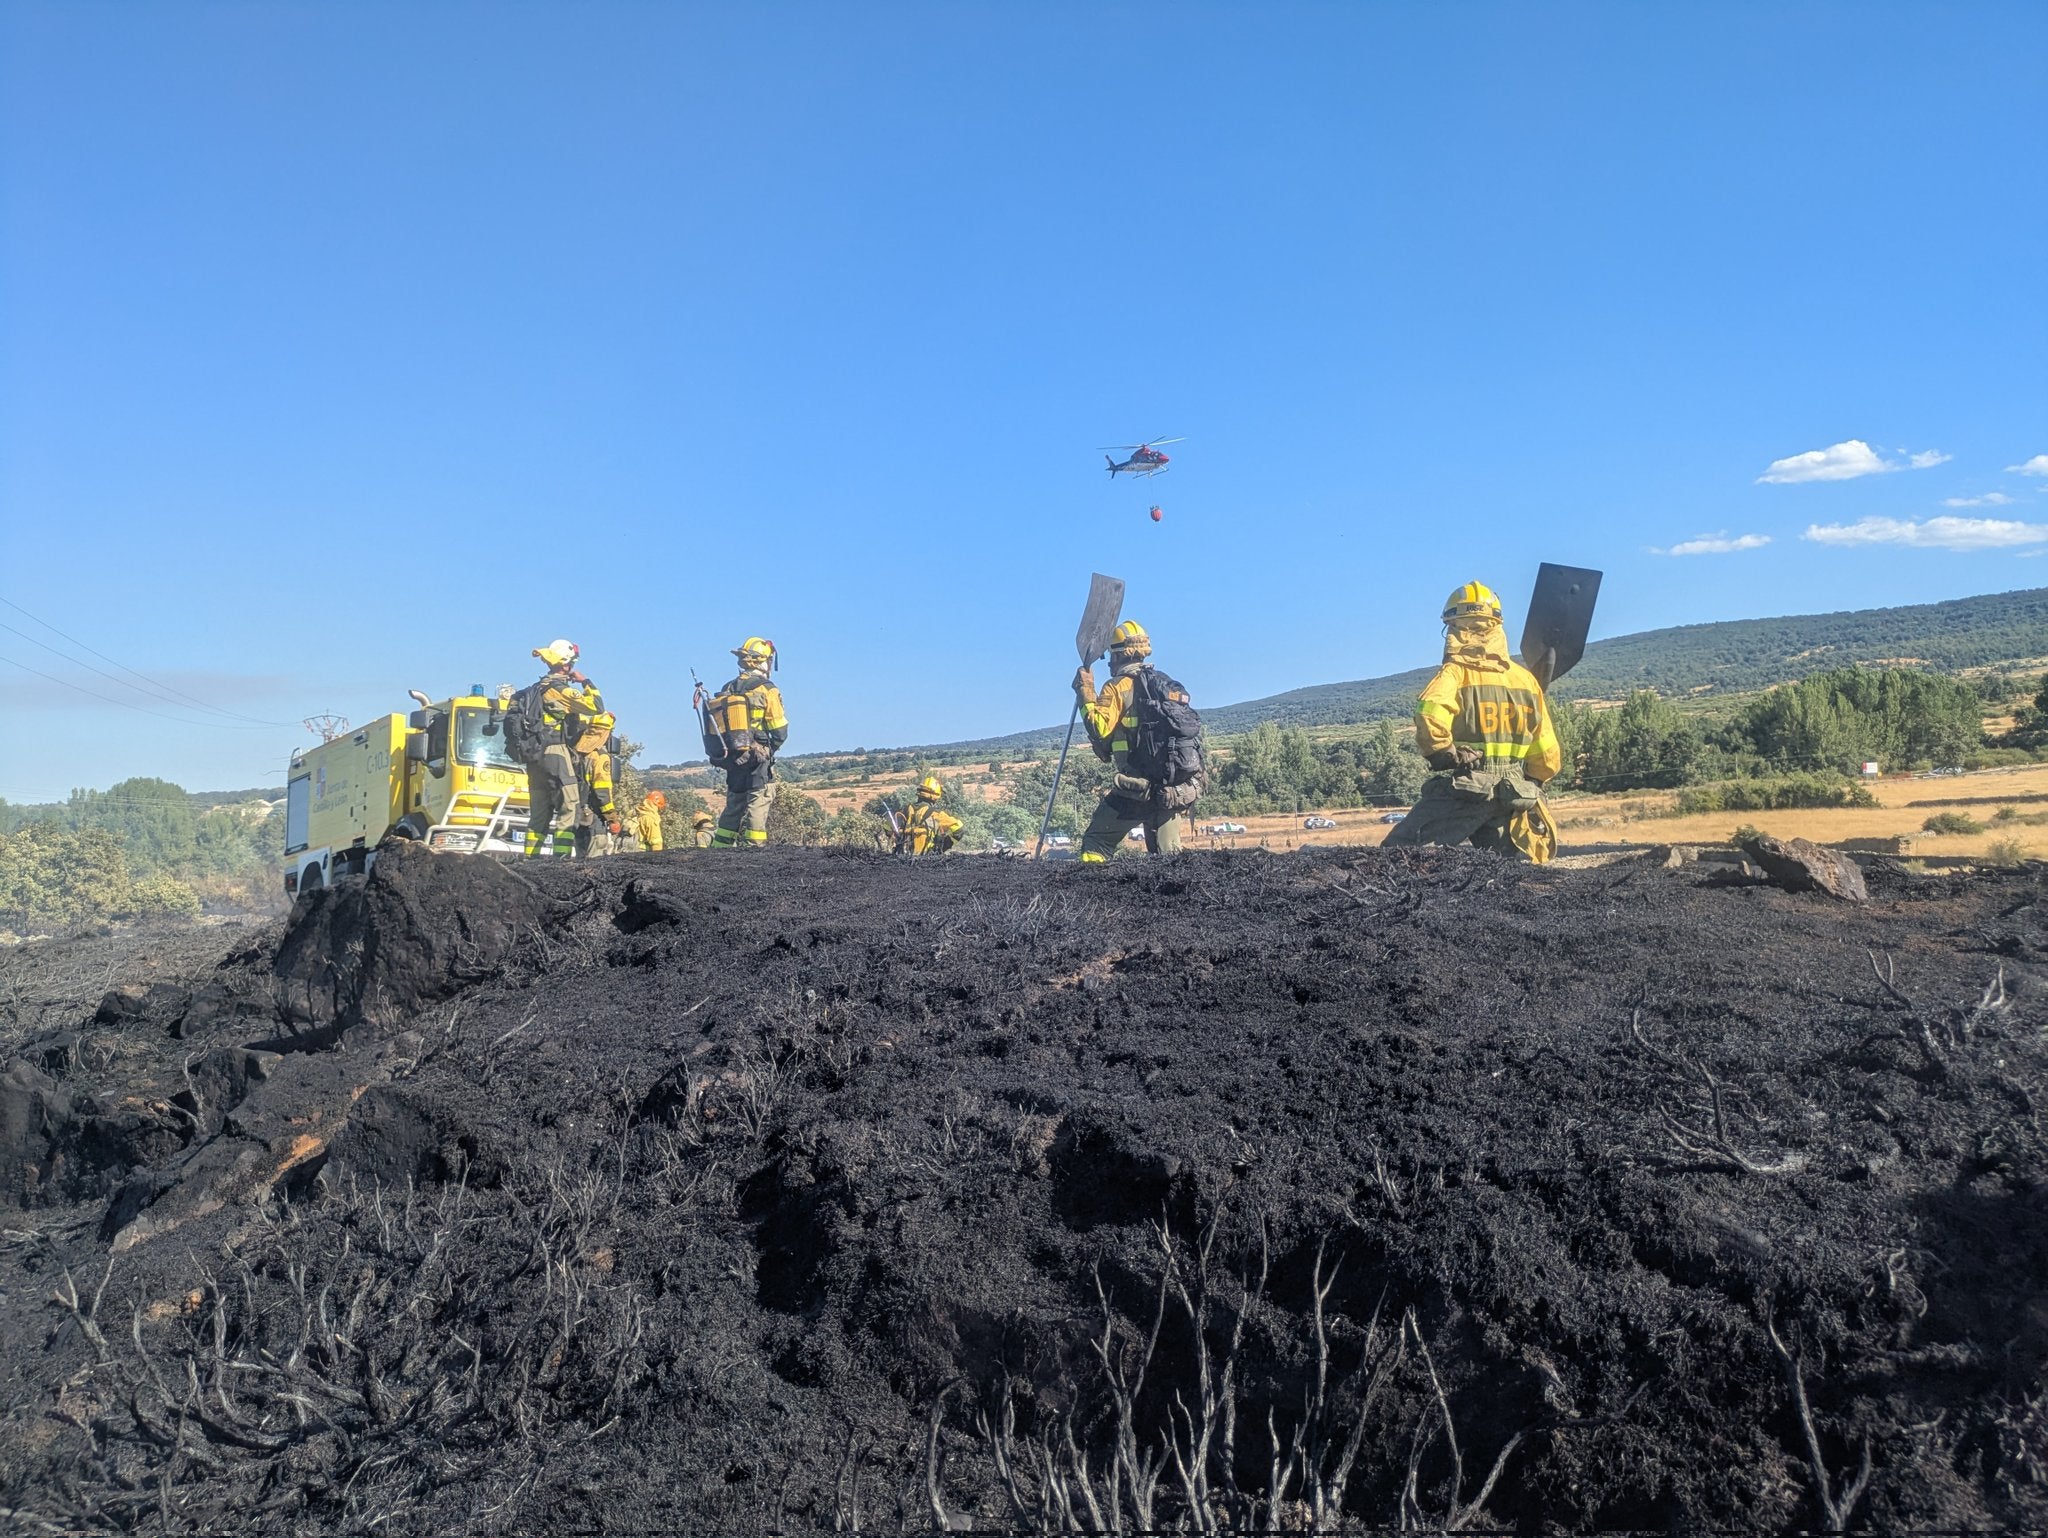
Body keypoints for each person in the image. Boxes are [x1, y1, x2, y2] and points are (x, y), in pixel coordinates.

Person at [1383, 582, 1562, 862]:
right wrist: (1534, 779)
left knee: (1395, 856)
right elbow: (1547, 751)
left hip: (1468, 789)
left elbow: (1430, 715)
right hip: (1513, 793)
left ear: (1452, 626)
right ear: (1497, 626)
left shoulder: (1455, 673)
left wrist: (1444, 754)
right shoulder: (1526, 681)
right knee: (1511, 872)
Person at [1072, 620, 1193, 862]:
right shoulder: (1164, 686)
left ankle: (1095, 895)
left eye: (1110, 656)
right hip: (1172, 789)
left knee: (1095, 843)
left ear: (1118, 655)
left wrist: (1085, 692)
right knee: (1169, 858)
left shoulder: (1117, 687)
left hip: (1136, 788)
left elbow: (1100, 728)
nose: (1109, 662)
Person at [519, 640, 612, 858]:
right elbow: (596, 707)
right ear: (566, 664)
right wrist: (586, 682)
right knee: (569, 806)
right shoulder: (558, 690)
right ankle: (560, 860)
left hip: (533, 757)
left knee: (539, 814)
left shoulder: (535, 689)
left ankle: (529, 861)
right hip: (555, 753)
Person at [707, 637, 788, 848]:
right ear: (763, 661)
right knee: (759, 798)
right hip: (757, 755)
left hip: (733, 754)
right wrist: (769, 749)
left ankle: (720, 846)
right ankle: (755, 847)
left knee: (735, 800)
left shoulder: (728, 688)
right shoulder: (767, 689)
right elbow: (779, 731)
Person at [897, 775, 963, 856]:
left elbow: (887, 827)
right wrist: (940, 849)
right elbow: (959, 829)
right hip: (927, 860)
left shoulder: (905, 810)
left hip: (902, 859)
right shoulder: (936, 814)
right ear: (935, 796)